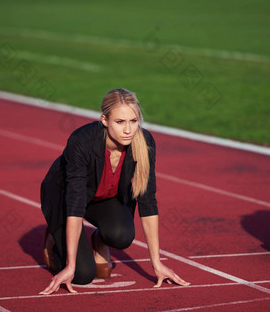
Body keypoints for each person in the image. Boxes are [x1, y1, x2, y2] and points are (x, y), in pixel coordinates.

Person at [39, 88, 190, 295]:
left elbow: (148, 202)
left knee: (122, 236)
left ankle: (98, 239)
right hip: (64, 199)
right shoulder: (82, 141)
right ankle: (55, 243)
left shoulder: (144, 143)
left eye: (133, 121)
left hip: (103, 196)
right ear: (104, 120)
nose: (128, 130)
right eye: (120, 122)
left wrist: (157, 264)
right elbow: (74, 204)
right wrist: (70, 265)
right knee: (82, 275)